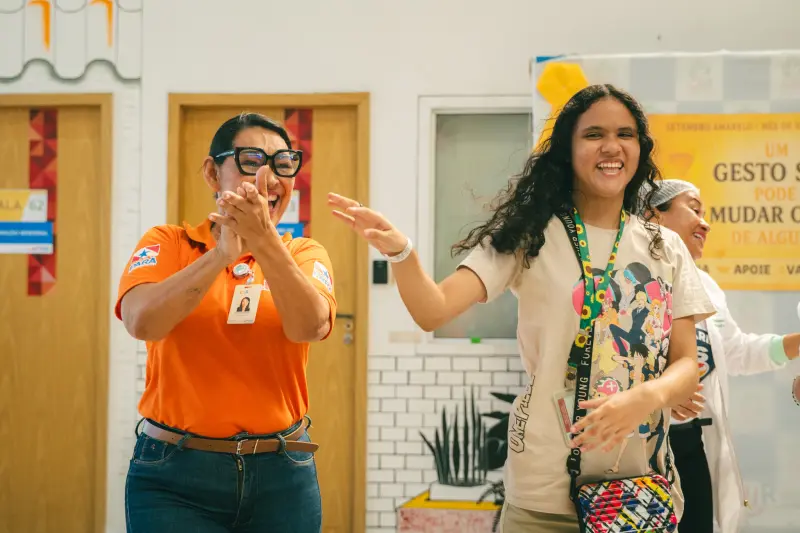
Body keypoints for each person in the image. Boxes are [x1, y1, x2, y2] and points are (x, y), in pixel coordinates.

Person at [329, 84, 716, 532]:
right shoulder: (528, 235)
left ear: (639, 149)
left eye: (625, 134)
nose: (611, 147)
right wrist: (401, 253)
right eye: (593, 135)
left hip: (636, 489)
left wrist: (645, 398)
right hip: (543, 494)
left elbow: (686, 363)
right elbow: (431, 310)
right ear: (568, 150)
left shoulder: (663, 246)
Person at [116, 112, 337, 533]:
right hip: (173, 475)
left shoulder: (305, 253)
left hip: (282, 475)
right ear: (212, 173)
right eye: (251, 160)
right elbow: (141, 321)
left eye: (283, 163)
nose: (270, 177)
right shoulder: (167, 243)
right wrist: (220, 255)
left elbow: (309, 326)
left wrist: (264, 242)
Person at [640, 179, 800, 533]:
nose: (705, 222)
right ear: (654, 216)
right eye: (693, 209)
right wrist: (665, 393)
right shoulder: (627, 280)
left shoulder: (704, 286)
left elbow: (736, 352)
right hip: (639, 447)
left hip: (690, 443)